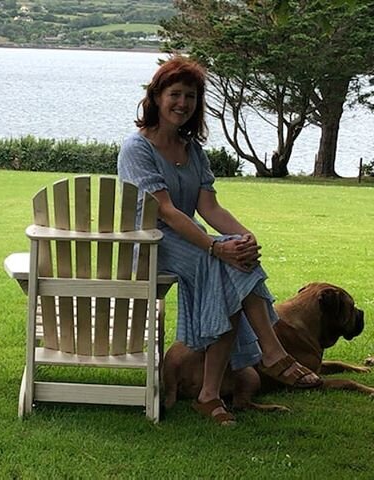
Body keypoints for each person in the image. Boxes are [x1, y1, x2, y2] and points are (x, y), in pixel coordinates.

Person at [117, 56, 321, 426]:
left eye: (191, 96)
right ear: (157, 97)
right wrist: (215, 246)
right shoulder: (137, 148)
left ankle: (214, 394)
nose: (182, 103)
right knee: (221, 262)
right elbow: (165, 211)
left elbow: (207, 205)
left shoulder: (191, 148)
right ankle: (267, 355)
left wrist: (243, 236)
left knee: (236, 260)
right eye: (175, 94)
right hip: (147, 242)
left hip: (186, 236)